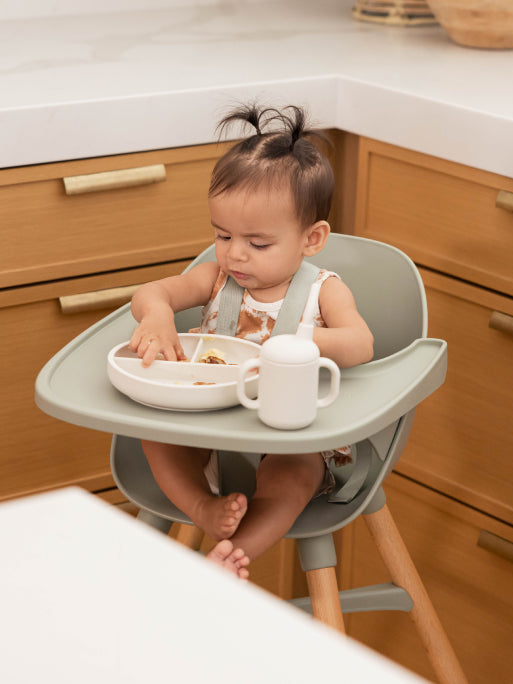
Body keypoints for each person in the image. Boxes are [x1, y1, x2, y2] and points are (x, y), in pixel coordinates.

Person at [127, 104, 374, 579]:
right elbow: (153, 292)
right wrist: (158, 314)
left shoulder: (325, 290)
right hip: (210, 427)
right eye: (222, 235)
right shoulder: (217, 277)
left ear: (312, 238)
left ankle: (237, 552)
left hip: (289, 438)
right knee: (154, 438)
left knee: (293, 475)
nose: (235, 253)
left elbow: (360, 343)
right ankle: (201, 506)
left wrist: (300, 342)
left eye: (257, 244)